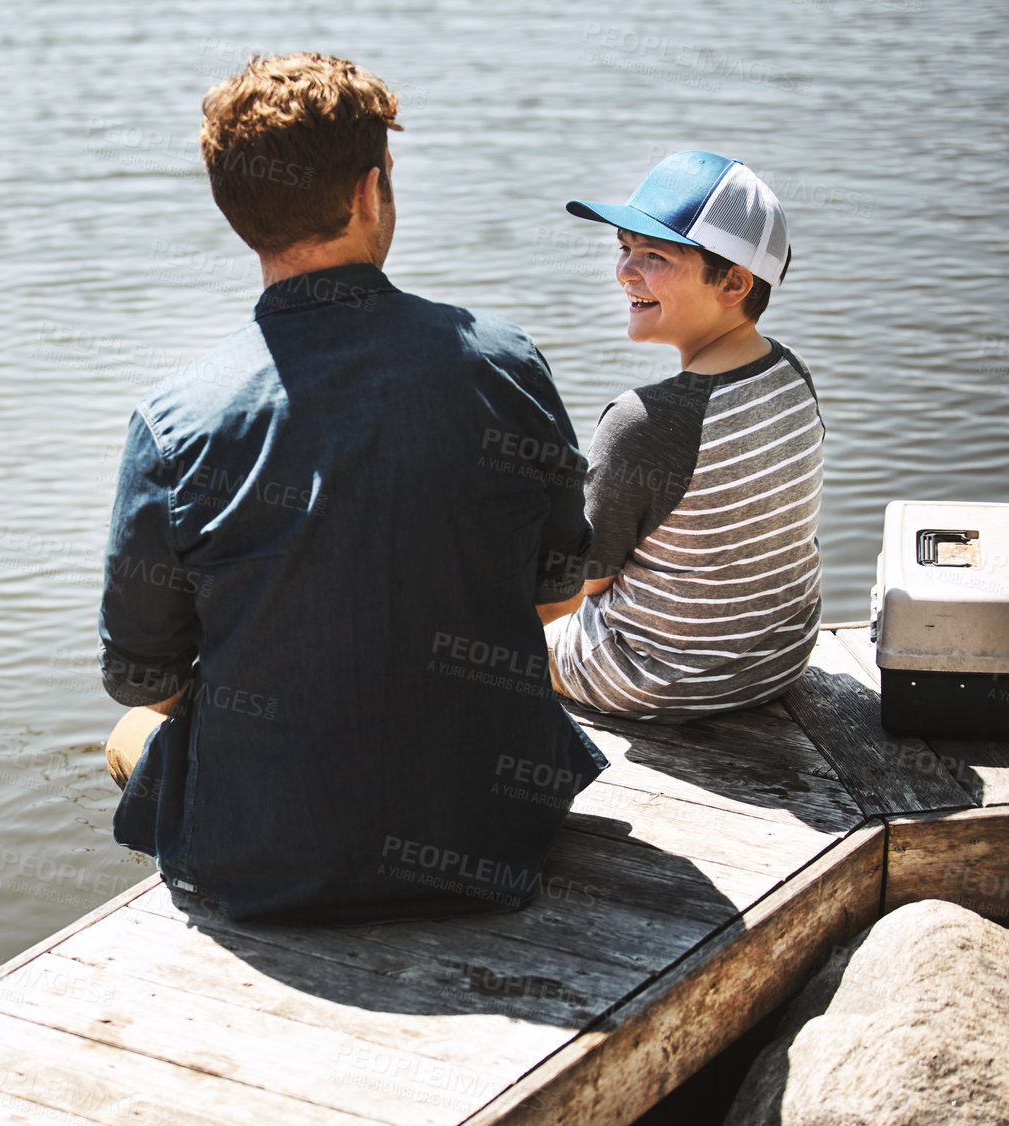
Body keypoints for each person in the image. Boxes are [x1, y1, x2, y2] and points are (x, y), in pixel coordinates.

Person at [97, 53, 607, 924]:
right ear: (370, 192)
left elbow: (142, 671)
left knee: (126, 739)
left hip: (263, 855)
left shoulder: (174, 420)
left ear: (236, 213)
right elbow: (558, 600)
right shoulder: (505, 365)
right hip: (488, 832)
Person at [546, 151, 824, 721]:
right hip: (777, 660)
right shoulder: (792, 375)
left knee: (474, 632)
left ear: (734, 283)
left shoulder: (643, 421)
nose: (624, 271)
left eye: (655, 256)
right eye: (624, 248)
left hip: (657, 681)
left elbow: (590, 584)